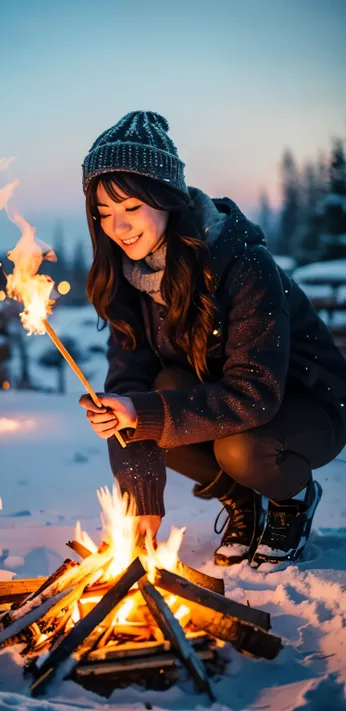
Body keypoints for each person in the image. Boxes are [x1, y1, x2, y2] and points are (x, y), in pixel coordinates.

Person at [78, 110, 346, 567]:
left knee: (239, 448)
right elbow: (129, 388)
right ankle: (242, 498)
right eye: (104, 212)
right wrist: (141, 494)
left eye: (130, 208)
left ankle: (292, 499)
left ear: (166, 199)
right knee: (153, 398)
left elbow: (256, 394)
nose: (116, 228)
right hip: (227, 404)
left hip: (300, 405)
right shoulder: (129, 277)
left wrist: (142, 413)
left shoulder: (243, 264)